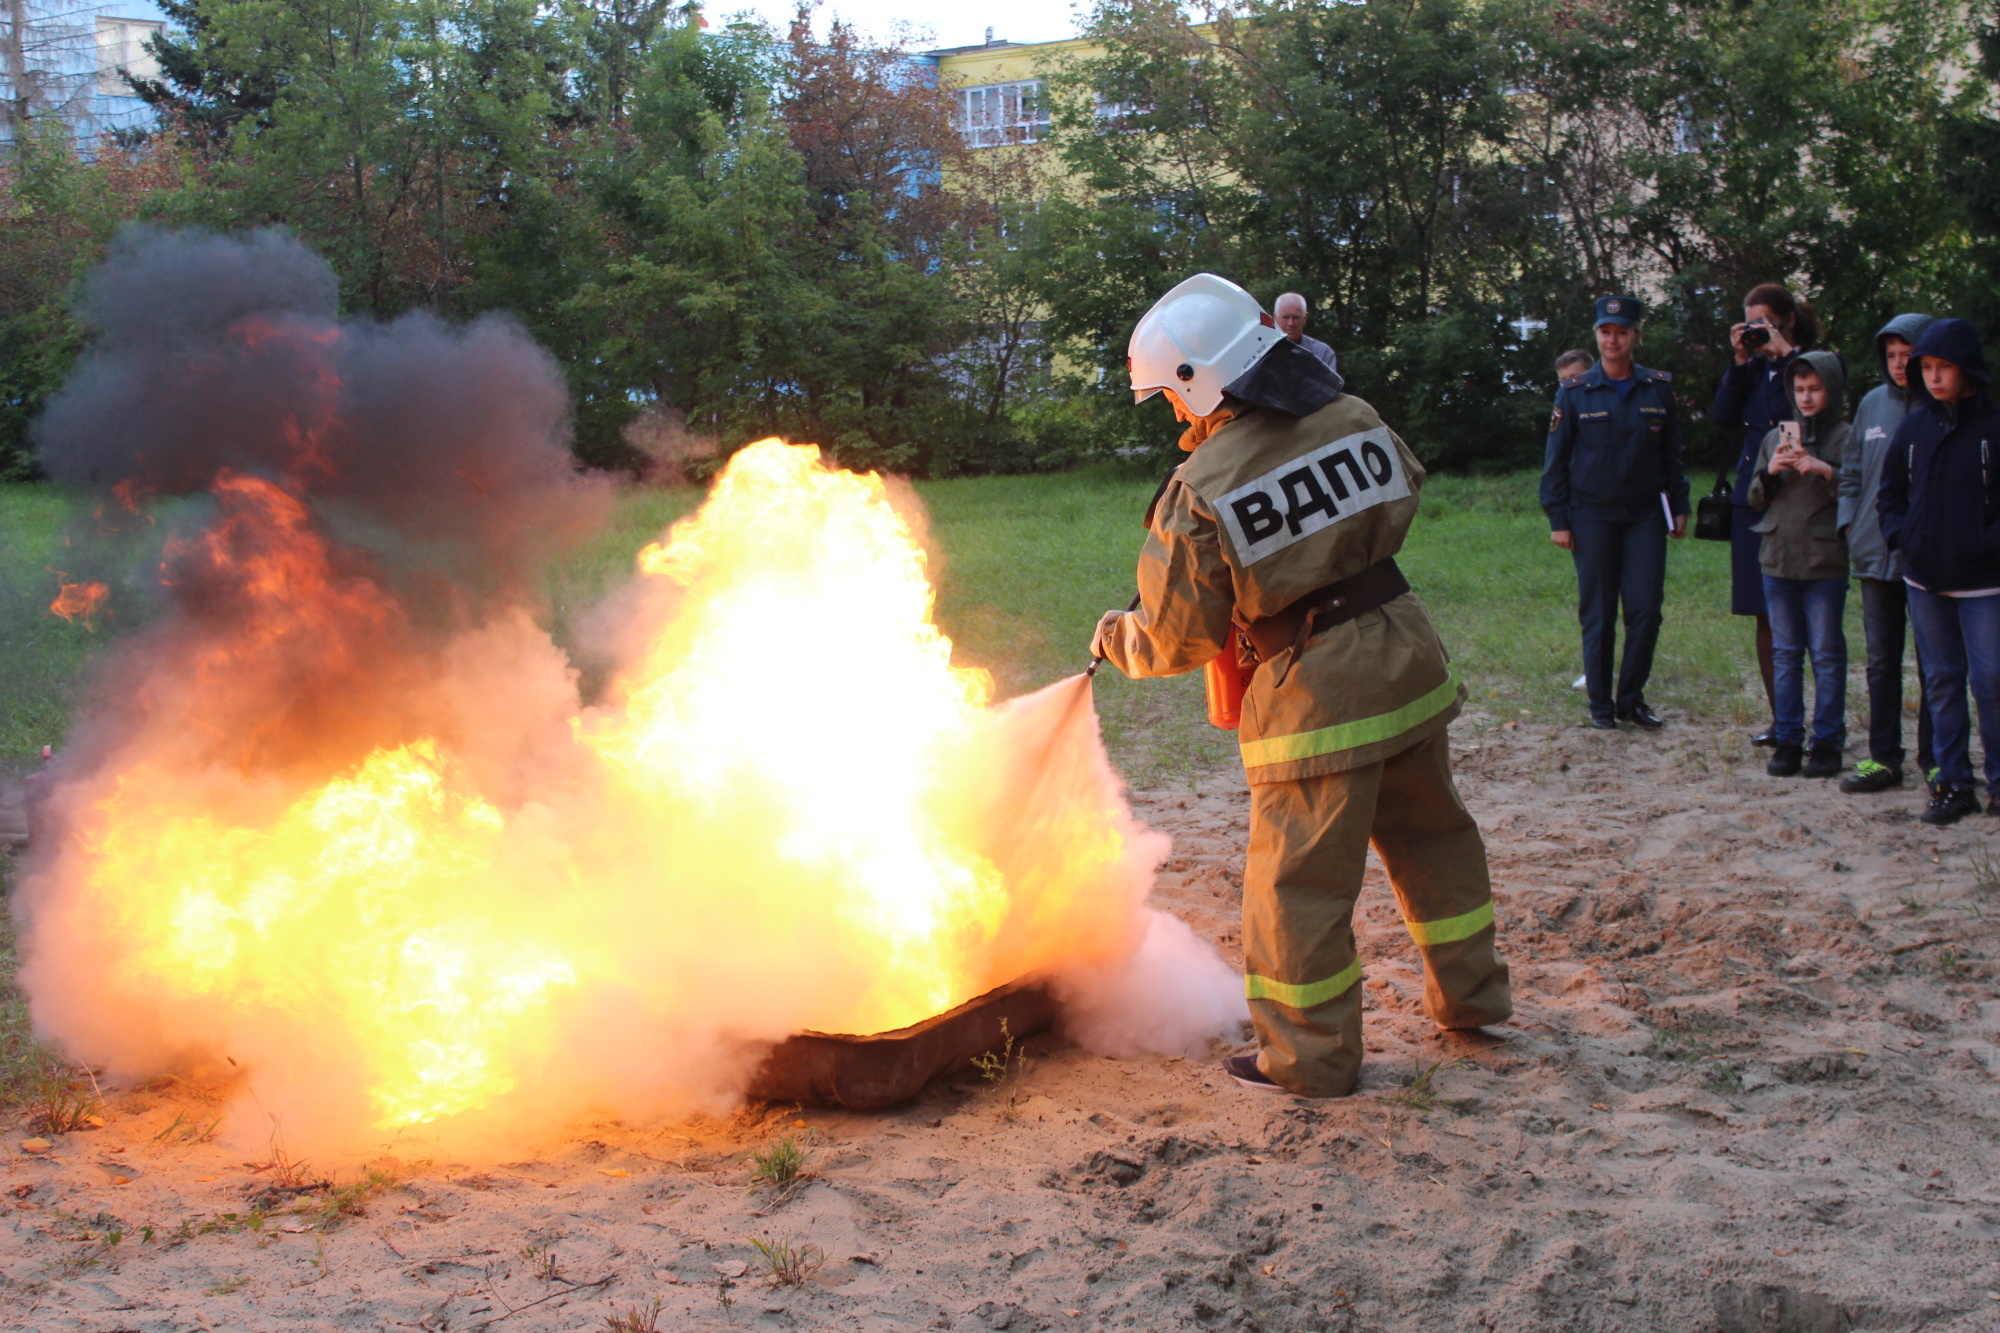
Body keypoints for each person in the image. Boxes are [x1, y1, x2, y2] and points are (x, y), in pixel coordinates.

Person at [1093, 273, 1510, 1098]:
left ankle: (1310, 1057)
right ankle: (1473, 996)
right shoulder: (1351, 415)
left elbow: (1180, 635)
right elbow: (1406, 488)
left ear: (1199, 380)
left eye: (1172, 400)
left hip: (1319, 695)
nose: (1177, 418)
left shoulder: (1201, 487)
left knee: (1296, 887)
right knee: (1436, 839)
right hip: (1408, 656)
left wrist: (1116, 636)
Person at [1539, 295, 1689, 730]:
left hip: (1644, 515)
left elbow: (1673, 457)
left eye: (1621, 332)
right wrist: (1558, 519)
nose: (1612, 339)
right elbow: (1556, 461)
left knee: (1645, 609)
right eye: (1605, 331)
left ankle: (1631, 699)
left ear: (1635, 336)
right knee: (1599, 611)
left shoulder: (1657, 389)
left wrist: (1679, 507)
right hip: (1591, 514)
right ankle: (1601, 706)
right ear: (1597, 335)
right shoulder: (1574, 393)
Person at [1878, 318, 2000, 826]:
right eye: (1925, 367)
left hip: (1986, 583)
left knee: (1992, 681)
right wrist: (1903, 537)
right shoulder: (1913, 428)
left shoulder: (1994, 426)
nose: (1932, 377)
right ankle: (1951, 784)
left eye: (1942, 366)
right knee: (1942, 682)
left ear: (1967, 369)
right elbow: (1889, 494)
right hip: (1924, 579)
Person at [1714, 283, 1822, 746]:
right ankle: (1783, 722)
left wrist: (1783, 361)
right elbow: (1722, 415)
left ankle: (1822, 721)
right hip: (1751, 498)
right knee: (1763, 613)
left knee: (1811, 614)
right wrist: (1741, 362)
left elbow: (1792, 418)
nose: (1757, 332)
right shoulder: (1752, 367)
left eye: (1764, 323)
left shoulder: (1811, 366)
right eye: (1750, 323)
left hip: (1798, 497)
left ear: (1787, 320)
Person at [1838, 314, 1936, 793]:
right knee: (1881, 662)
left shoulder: (1943, 403)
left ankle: (1936, 759)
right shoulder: (1872, 404)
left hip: (1931, 556)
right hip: (1874, 552)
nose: (1900, 365)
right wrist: (1849, 523)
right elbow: (1851, 472)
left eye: (1908, 355)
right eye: (1891, 356)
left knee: (1934, 662)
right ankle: (1884, 758)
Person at [1747, 354, 1851, 778]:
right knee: (1786, 653)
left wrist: (1824, 469)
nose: (1806, 397)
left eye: (1815, 389)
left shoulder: (1847, 436)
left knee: (1826, 654)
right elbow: (1754, 496)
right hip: (1777, 559)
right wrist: (1771, 472)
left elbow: (1859, 493)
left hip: (1823, 561)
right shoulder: (1774, 437)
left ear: (1831, 389)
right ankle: (1788, 737)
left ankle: (1826, 740)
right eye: (1800, 389)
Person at [1273, 292, 1339, 375]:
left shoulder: (1322, 353)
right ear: (1275, 318)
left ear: (1305, 318)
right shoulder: (1262, 353)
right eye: (1285, 317)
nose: (1291, 323)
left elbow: (1329, 387)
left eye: (1296, 317)